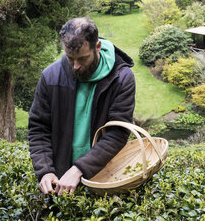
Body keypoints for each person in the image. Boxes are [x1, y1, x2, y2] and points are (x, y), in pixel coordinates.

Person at [28, 17, 136, 196]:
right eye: (70, 59)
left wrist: (79, 169)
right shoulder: (50, 77)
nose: (76, 66)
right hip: (60, 183)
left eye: (83, 59)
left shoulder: (122, 79)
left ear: (98, 47)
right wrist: (45, 170)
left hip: (103, 180)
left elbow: (117, 134)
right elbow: (39, 129)